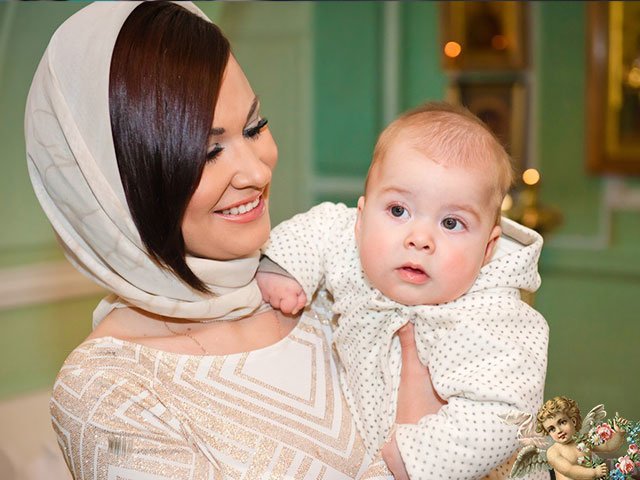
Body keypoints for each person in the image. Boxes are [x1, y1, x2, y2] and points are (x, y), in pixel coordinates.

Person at [25, 2, 435, 477]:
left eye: (255, 127)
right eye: (208, 152)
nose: (257, 172)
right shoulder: (108, 391)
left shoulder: (328, 270)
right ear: (115, 189)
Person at [258, 102, 550, 479]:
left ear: (488, 248)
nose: (419, 238)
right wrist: (284, 268)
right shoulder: (353, 249)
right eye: (398, 211)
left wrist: (416, 457)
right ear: (361, 219)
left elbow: (505, 415)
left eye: (451, 223)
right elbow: (319, 227)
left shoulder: (494, 315)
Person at [536, 397, 623, 480]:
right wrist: (594, 472)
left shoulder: (584, 440)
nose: (559, 430)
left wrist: (619, 434)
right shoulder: (553, 451)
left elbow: (608, 447)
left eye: (562, 422)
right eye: (552, 429)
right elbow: (569, 470)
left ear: (573, 421)